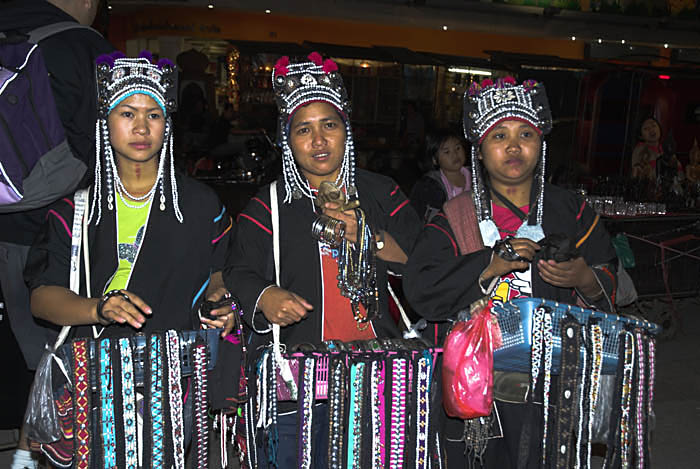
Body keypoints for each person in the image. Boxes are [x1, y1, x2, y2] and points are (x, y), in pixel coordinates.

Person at [24, 51, 234, 465]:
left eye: (154, 115)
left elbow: (217, 274)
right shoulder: (76, 210)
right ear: (106, 123)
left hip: (177, 378)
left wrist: (222, 302)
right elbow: (41, 298)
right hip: (96, 375)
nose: (141, 127)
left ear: (167, 125)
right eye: (127, 113)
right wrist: (98, 308)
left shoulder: (200, 204)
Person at [404, 77, 617, 468]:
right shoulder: (455, 217)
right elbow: (420, 288)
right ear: (480, 152)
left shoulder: (570, 209)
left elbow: (608, 271)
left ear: (542, 144)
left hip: (552, 384)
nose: (514, 146)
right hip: (475, 385)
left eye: (526, 134)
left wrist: (585, 279)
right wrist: (489, 265)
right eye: (499, 135)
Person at [224, 52, 421, 467]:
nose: (318, 141)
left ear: (346, 132)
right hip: (298, 381)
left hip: (374, 375)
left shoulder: (381, 192)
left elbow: (424, 263)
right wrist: (264, 295)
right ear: (287, 140)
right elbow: (238, 271)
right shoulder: (270, 206)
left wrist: (369, 237)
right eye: (303, 130)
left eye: (329, 125)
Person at [0, 2, 113, 467]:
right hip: (53, 229)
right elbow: (105, 145)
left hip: (6, 217)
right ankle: (47, 453)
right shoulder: (84, 47)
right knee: (59, 354)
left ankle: (25, 452)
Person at [410, 128, 471, 222]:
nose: (455, 154)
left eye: (458, 148)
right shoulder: (429, 186)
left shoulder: (477, 177)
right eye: (447, 152)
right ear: (434, 159)